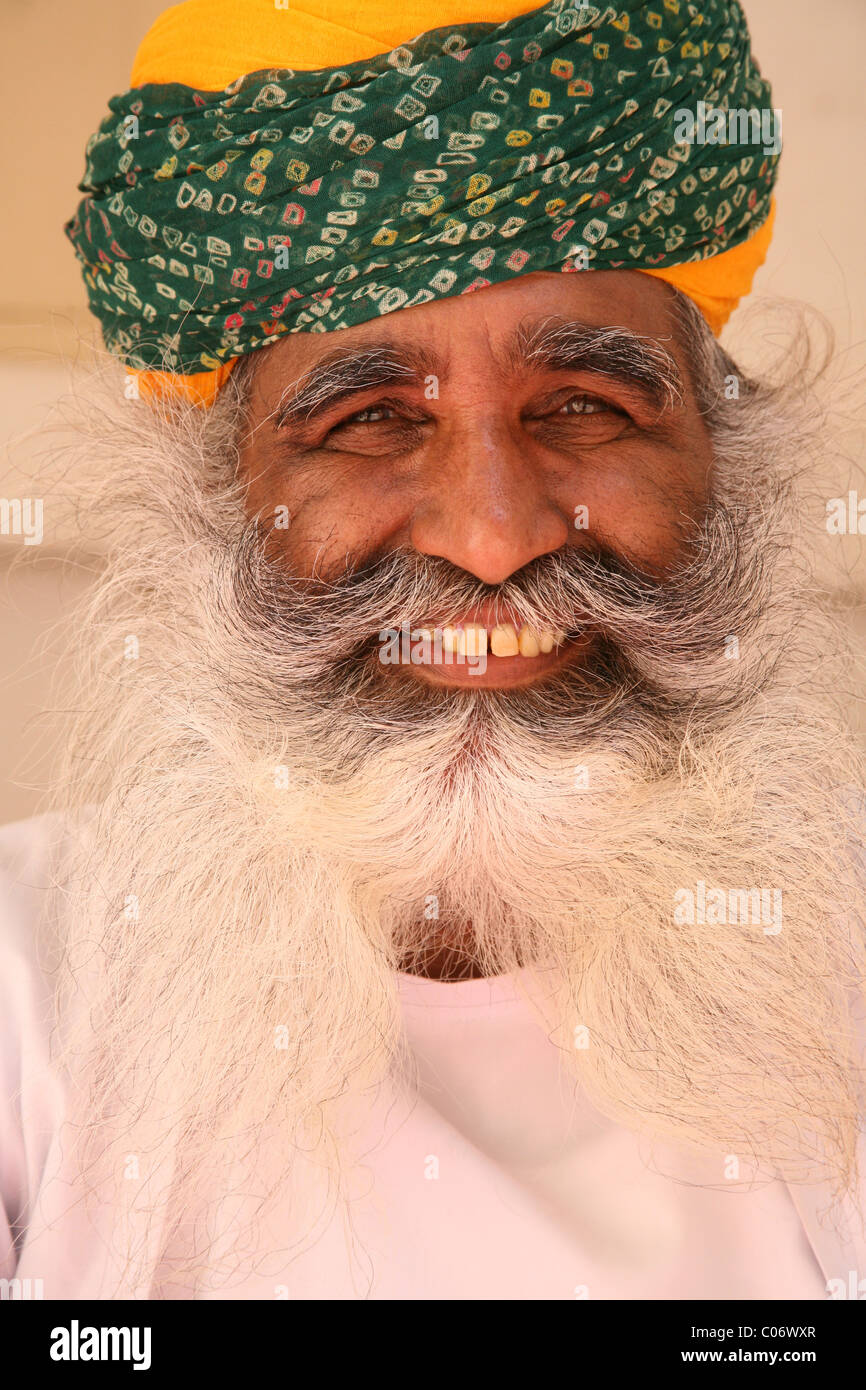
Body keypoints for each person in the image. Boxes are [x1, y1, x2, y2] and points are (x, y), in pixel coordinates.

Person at [2, 0, 864, 1300]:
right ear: (215, 506)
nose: (494, 536)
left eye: (584, 403)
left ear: (726, 472)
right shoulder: (23, 990)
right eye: (362, 418)